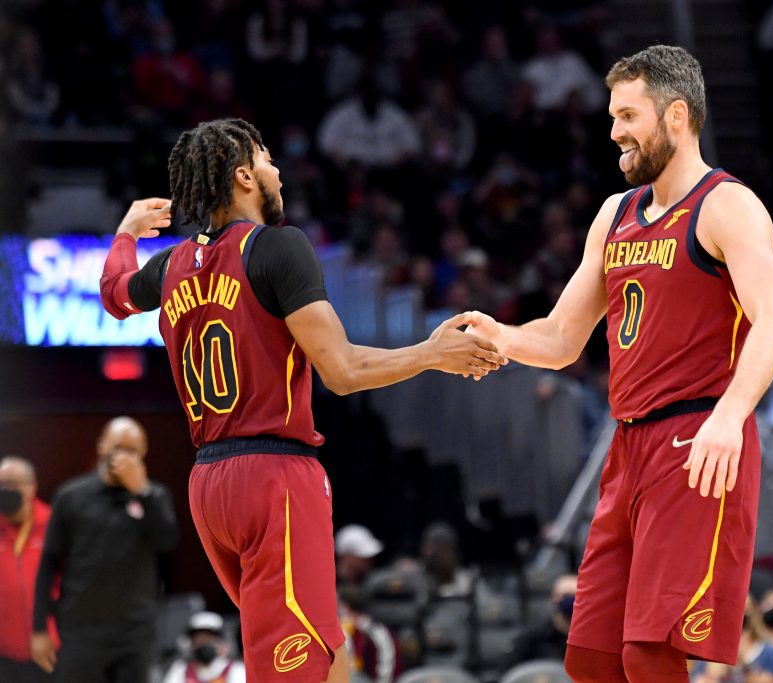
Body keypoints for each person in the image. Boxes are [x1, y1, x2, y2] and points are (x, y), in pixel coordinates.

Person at [98, 118, 505, 683]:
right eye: (266, 158)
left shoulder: (167, 268)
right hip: (273, 478)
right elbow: (341, 371)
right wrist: (430, 354)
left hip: (209, 485)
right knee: (293, 667)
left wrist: (125, 233)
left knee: (323, 649)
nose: (278, 170)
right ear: (243, 175)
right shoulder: (276, 247)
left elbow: (115, 296)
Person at [466, 45, 773, 681]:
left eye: (627, 115)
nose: (614, 131)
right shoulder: (614, 214)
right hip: (628, 445)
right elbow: (563, 337)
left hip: (697, 438)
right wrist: (502, 338)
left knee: (650, 652)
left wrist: (730, 417)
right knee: (590, 655)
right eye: (612, 116)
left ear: (676, 116)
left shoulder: (727, 205)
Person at [31, 417, 180, 682]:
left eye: (132, 450)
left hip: (135, 631)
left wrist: (141, 492)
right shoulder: (71, 495)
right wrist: (39, 628)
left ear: (144, 453)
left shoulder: (155, 496)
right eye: (118, 447)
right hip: (81, 629)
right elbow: (48, 562)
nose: (123, 456)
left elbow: (167, 541)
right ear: (101, 446)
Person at [0, 456, 56, 683]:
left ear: (32, 486)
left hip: (53, 648)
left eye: (14, 483)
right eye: (2, 485)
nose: (7, 490)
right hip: (6, 654)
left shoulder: (54, 523)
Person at [161, 611, 245, 683]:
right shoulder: (180, 670)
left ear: (220, 641)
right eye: (199, 639)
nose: (204, 643)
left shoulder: (236, 670)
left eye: (209, 638)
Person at [336, 524, 384, 590]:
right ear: (345, 557)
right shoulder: (329, 586)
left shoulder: (371, 585)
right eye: (363, 556)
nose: (369, 561)